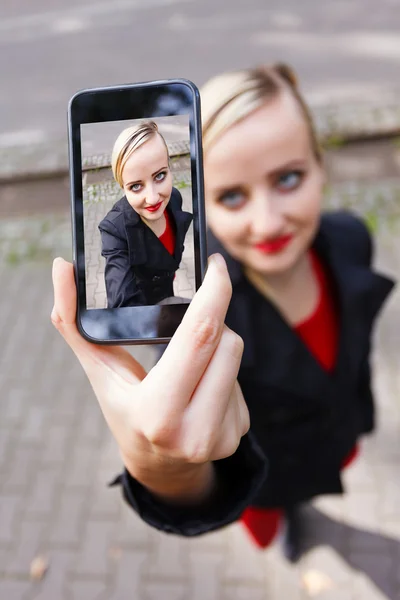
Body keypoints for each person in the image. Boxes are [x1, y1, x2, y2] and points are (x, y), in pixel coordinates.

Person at [52, 64, 395, 561]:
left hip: (341, 436)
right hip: (266, 478)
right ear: (207, 204)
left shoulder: (350, 237)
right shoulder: (200, 318)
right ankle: (285, 534)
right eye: (232, 196)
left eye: (290, 178)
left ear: (321, 166)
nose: (268, 221)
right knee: (273, 523)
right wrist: (166, 472)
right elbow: (200, 454)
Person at [98, 121, 193, 307]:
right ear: (122, 187)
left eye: (160, 176)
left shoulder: (173, 197)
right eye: (136, 186)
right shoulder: (114, 230)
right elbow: (121, 304)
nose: (152, 198)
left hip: (168, 286)